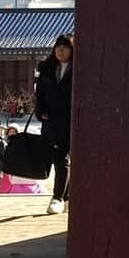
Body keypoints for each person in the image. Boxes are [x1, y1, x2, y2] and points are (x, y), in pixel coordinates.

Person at [35, 34, 74, 214]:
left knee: (63, 158)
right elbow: (40, 95)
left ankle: (58, 197)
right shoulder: (47, 70)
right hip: (51, 121)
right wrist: (40, 112)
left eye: (65, 47)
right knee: (58, 158)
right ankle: (62, 197)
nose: (60, 50)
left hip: (71, 120)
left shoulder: (78, 69)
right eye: (58, 46)